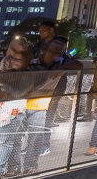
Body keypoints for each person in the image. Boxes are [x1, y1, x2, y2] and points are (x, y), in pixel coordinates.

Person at [22, 37, 81, 173]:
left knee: (43, 125)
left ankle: (41, 149)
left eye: (58, 52)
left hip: (46, 100)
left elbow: (79, 65)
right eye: (52, 51)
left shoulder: (61, 61)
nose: (54, 54)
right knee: (22, 133)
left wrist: (61, 69)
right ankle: (24, 157)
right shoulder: (34, 62)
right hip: (25, 101)